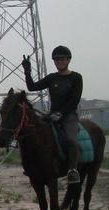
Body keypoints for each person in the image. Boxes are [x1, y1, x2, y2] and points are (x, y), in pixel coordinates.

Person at [22, 45, 83, 184]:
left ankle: (72, 170)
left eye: (62, 59)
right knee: (33, 134)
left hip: (69, 116)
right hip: (52, 114)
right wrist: (27, 71)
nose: (59, 62)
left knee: (71, 140)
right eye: (56, 60)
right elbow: (32, 87)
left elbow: (75, 100)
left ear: (68, 60)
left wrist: (61, 113)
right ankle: (33, 166)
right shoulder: (51, 78)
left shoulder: (76, 78)